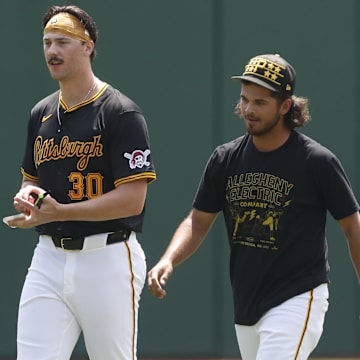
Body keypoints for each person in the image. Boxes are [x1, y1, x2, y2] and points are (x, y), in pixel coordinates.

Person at [147, 53, 360, 359]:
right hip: (247, 304)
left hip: (299, 296)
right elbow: (198, 221)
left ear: (285, 106)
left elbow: (352, 226)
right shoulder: (225, 159)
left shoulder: (317, 161)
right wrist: (169, 260)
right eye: (245, 100)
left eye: (260, 102)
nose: (248, 109)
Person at [3, 5, 156, 360]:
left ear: (87, 47)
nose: (52, 51)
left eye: (63, 42)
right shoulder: (40, 113)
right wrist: (29, 199)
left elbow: (133, 199)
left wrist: (60, 211)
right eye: (47, 43)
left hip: (108, 256)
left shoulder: (121, 113)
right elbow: (31, 180)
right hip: (49, 258)